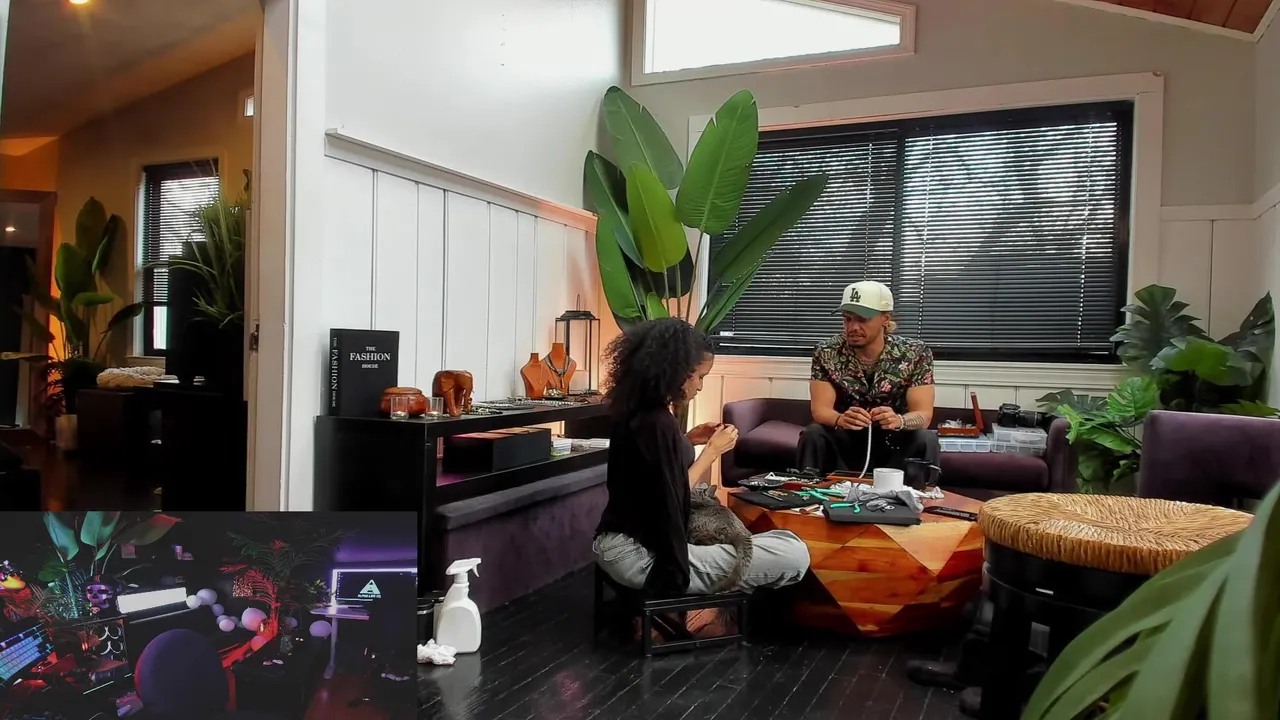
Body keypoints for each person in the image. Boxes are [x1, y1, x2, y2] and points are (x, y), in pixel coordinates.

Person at [593, 318, 810, 597]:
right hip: (637, 557)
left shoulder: (641, 411)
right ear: (678, 373)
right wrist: (712, 452)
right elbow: (670, 496)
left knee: (782, 540)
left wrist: (689, 439)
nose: (700, 387)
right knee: (794, 554)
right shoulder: (657, 422)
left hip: (618, 543)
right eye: (700, 377)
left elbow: (652, 469)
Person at [798, 280, 939, 475]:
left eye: (862, 319)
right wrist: (840, 419)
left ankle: (918, 492)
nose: (853, 327)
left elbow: (923, 414)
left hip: (894, 442)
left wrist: (899, 420)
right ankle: (809, 489)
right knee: (813, 433)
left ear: (885, 319)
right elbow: (820, 409)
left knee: (926, 438)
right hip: (846, 438)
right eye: (847, 319)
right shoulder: (826, 352)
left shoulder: (915, 353)